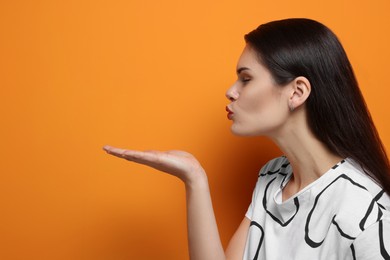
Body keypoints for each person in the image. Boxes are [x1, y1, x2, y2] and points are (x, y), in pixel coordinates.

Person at [103, 18, 390, 259]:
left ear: (297, 92)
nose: (231, 91)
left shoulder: (366, 212)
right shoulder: (272, 177)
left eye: (246, 78)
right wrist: (194, 179)